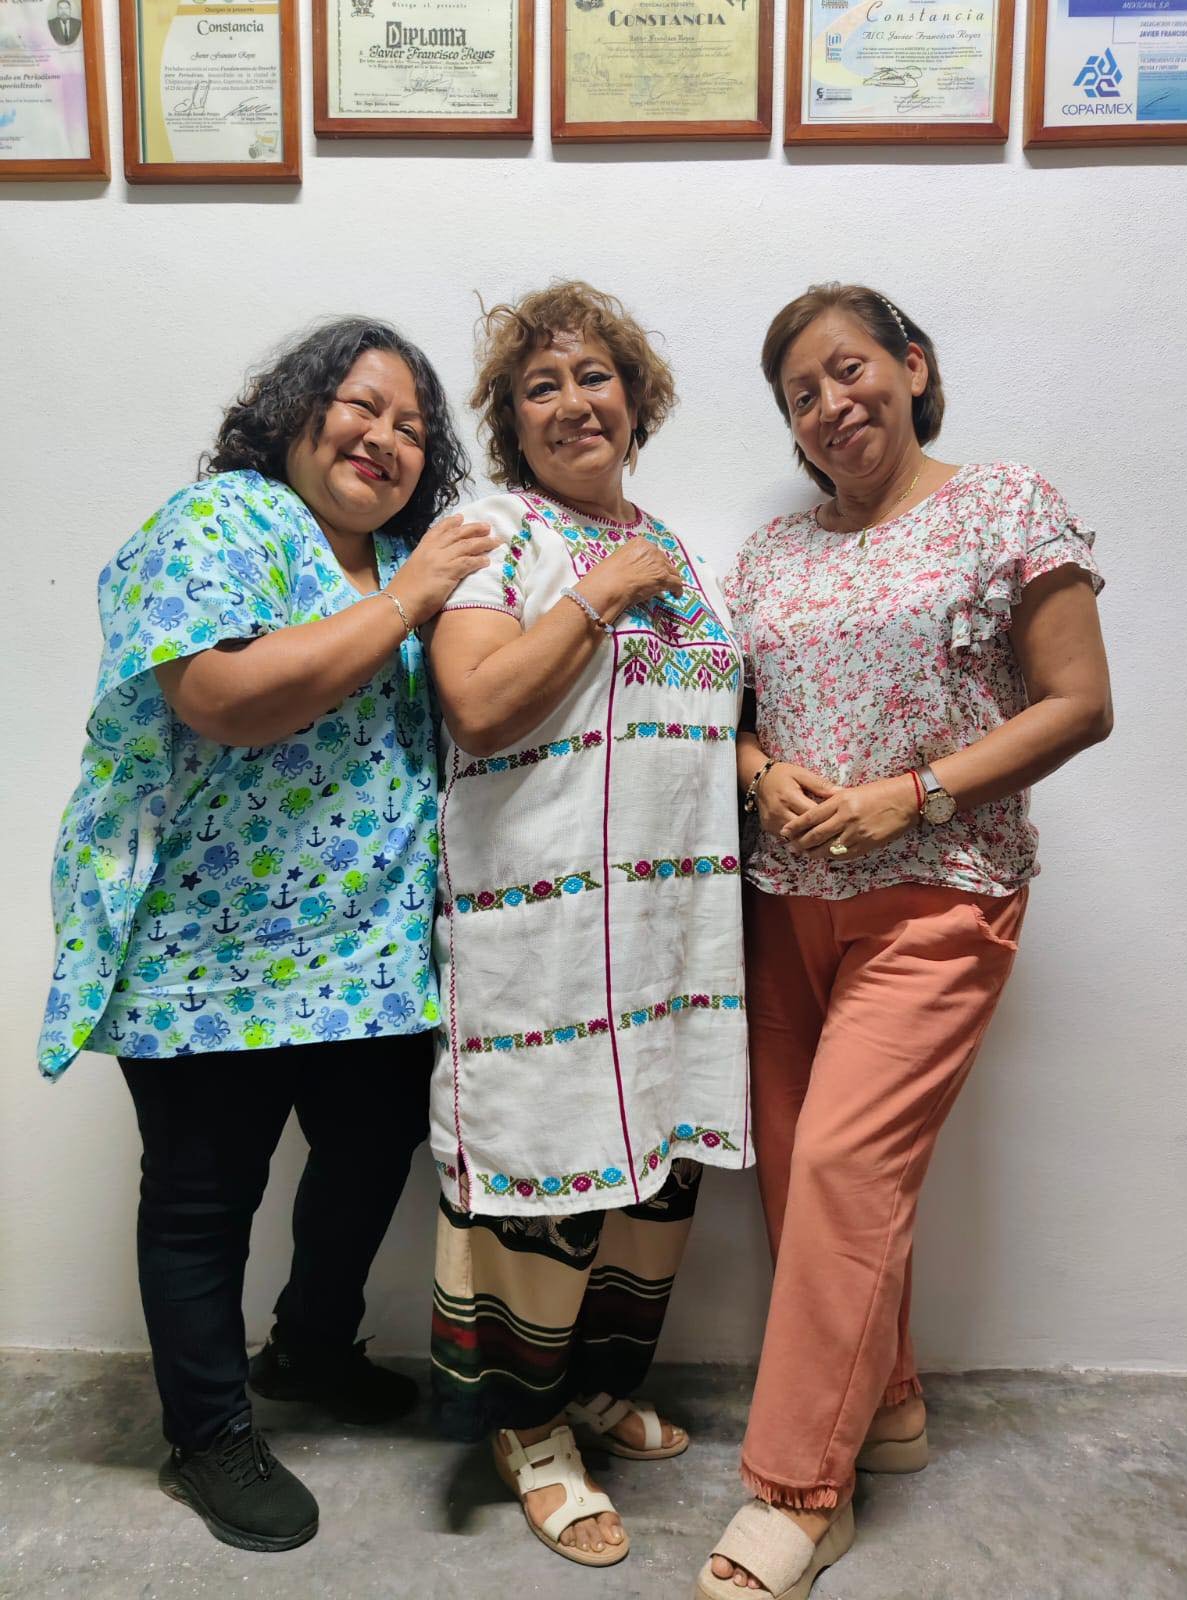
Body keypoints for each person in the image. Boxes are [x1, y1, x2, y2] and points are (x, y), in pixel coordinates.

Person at [37, 317, 494, 1553]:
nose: (385, 437)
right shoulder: (216, 524)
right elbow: (225, 700)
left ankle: (311, 1348)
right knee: (204, 1198)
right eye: (361, 405)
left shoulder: (401, 562)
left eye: (413, 426)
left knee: (369, 1157)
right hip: (210, 951)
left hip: (369, 959)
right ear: (293, 409)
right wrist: (410, 595)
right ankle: (206, 1433)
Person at [696, 283, 1112, 1598]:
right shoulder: (772, 553)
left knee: (841, 1163)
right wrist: (761, 774)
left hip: (940, 895)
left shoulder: (1004, 505)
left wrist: (912, 794)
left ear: (913, 366)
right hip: (783, 902)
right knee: (808, 1180)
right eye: (800, 395)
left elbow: (1081, 702)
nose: (830, 405)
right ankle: (888, 1405)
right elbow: (731, 714)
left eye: (849, 369)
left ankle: (797, 1492)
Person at [425, 282, 750, 1568]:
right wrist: (600, 592)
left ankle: (602, 1386)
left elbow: (707, 721)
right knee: (544, 1179)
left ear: (637, 397)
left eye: (595, 375)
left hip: (672, 944)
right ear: (511, 419)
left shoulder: (676, 549)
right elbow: (475, 703)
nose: (574, 402)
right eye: (541, 385)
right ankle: (528, 1425)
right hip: (545, 939)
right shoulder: (495, 533)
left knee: (653, 1178)